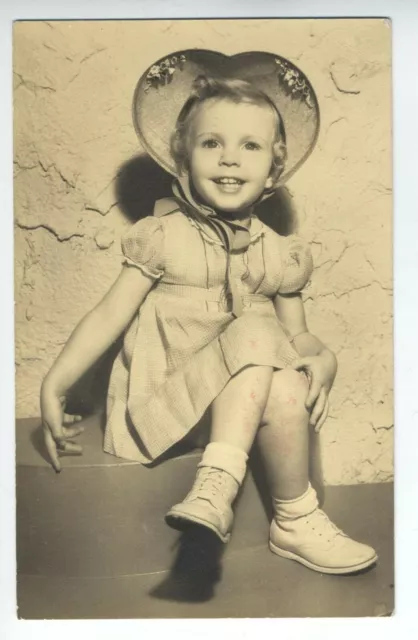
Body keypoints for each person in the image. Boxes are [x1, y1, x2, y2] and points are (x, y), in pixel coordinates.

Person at [40, 50, 378, 575]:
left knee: (286, 378)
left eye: (249, 146)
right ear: (182, 160)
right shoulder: (163, 237)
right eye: (211, 143)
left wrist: (324, 357)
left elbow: (299, 337)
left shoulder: (280, 251)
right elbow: (109, 314)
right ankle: (217, 483)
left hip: (239, 412)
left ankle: (294, 518)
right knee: (257, 329)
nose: (229, 159)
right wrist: (56, 382)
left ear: (273, 170)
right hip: (167, 411)